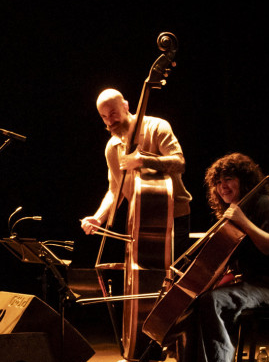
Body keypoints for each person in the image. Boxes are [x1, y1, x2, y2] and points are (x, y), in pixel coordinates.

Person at [155, 153, 269, 362]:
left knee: (213, 301)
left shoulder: (264, 204)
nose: (223, 186)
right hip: (252, 282)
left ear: (245, 180)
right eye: (218, 183)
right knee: (199, 297)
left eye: (228, 179)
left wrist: (244, 222)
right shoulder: (235, 210)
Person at [80, 88, 192, 254]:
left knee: (172, 276)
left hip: (173, 218)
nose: (110, 121)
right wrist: (98, 218)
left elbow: (179, 163)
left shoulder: (157, 127)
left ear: (125, 106)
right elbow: (115, 191)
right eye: (104, 117)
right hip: (140, 223)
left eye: (113, 113)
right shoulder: (111, 148)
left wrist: (143, 161)